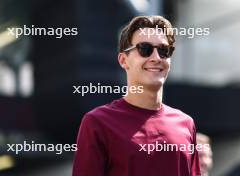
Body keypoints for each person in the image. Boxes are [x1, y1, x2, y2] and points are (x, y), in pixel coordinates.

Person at [72, 16, 201, 176]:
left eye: (163, 50)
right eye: (145, 49)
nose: (156, 58)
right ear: (123, 60)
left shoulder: (186, 124)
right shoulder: (97, 123)